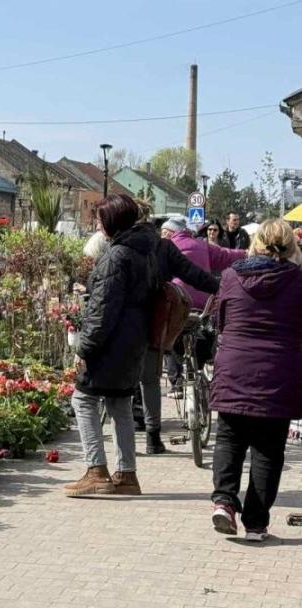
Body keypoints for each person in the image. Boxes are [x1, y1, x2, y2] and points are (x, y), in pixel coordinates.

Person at [209, 220, 302, 541]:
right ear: (291, 247)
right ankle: (256, 524)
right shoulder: (298, 280)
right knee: (268, 450)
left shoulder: (231, 276)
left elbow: (220, 320)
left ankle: (224, 502)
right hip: (278, 374)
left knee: (229, 440)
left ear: (255, 243)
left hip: (234, 368)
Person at [65, 194, 157, 497]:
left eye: (100, 219)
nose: (97, 224)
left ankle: (96, 471)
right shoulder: (145, 251)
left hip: (111, 344)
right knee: (119, 405)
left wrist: (84, 348)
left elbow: (102, 310)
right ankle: (127, 474)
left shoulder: (116, 256)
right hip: (133, 342)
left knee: (82, 400)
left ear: (113, 221)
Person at [135, 205, 219, 454]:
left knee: (121, 383)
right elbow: (193, 274)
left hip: (123, 322)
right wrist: (222, 288)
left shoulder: (117, 247)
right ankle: (153, 439)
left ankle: (124, 444)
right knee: (150, 380)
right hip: (155, 320)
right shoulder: (163, 246)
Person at [160, 217, 245, 394]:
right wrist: (248, 253)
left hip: (179, 301)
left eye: (163, 232)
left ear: (169, 232)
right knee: (202, 332)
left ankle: (176, 383)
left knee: (171, 337)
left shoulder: (167, 246)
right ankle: (199, 370)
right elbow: (226, 256)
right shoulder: (202, 245)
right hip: (204, 302)